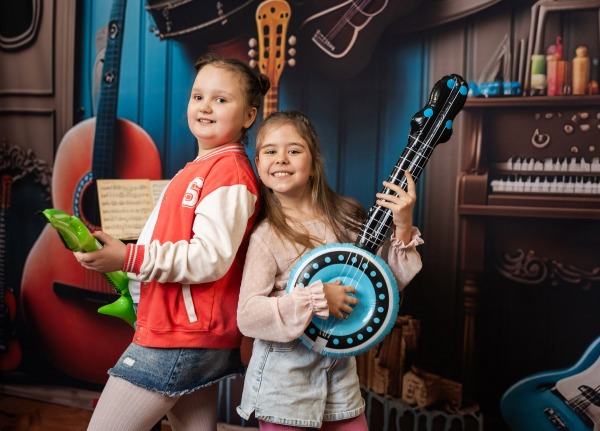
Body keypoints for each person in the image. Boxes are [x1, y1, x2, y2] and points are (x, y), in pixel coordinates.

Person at [74, 53, 270, 431]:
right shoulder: (200, 168)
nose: (205, 106)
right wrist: (118, 255)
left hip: (180, 334)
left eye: (221, 99)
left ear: (249, 116)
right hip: (186, 331)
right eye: (198, 96)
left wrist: (128, 257)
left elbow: (208, 258)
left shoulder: (229, 174)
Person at [236, 110, 424, 430]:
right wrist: (315, 298)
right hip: (285, 389)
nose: (281, 158)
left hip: (340, 386)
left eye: (294, 150)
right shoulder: (265, 237)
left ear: (313, 164)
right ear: (258, 164)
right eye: (270, 151)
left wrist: (403, 225)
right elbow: (248, 315)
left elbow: (385, 285)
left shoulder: (345, 218)